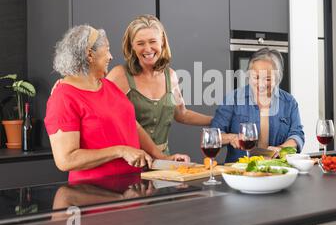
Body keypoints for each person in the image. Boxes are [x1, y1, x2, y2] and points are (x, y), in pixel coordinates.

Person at [45, 25, 189, 182]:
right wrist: (120, 151)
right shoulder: (63, 97)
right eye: (106, 49)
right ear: (90, 54)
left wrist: (162, 158)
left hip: (130, 190)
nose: (110, 56)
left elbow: (131, 124)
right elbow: (66, 160)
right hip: (94, 193)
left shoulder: (108, 86)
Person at [107, 15, 212, 154]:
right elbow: (102, 117)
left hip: (164, 160)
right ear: (132, 46)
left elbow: (181, 114)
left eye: (152, 41)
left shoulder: (171, 76)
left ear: (162, 42)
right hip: (130, 161)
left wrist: (215, 120)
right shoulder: (119, 75)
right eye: (140, 43)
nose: (148, 49)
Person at [211, 48, 305, 163]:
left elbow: (297, 135)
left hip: (277, 169)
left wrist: (281, 148)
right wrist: (232, 138)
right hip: (239, 172)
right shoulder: (233, 99)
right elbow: (214, 135)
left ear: (278, 77)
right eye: (256, 77)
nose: (262, 84)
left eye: (268, 79)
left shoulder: (289, 102)